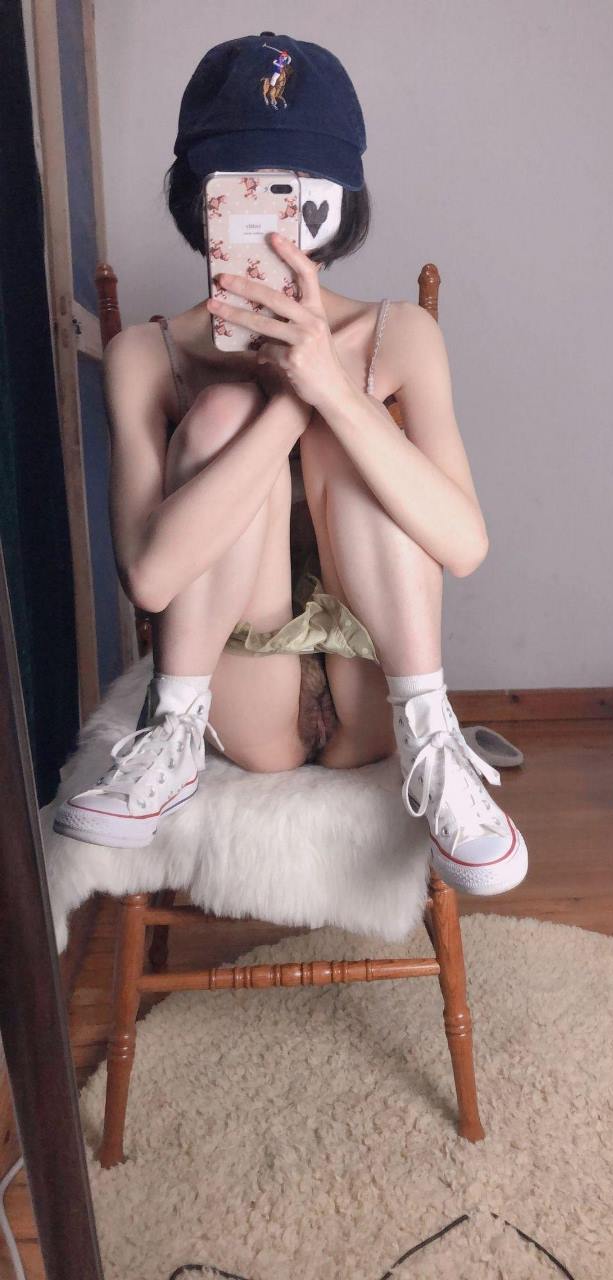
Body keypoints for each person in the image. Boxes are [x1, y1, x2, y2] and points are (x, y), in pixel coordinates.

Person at [53, 32, 528, 897]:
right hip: (243, 693)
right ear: (201, 201)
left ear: (340, 200)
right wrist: (288, 402)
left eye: (302, 189)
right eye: (245, 189)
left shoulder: (398, 335)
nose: (275, 221)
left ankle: (431, 735)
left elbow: (463, 547)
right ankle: (170, 735)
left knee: (357, 435)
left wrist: (336, 392)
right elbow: (150, 581)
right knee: (226, 413)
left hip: (375, 678)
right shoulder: (146, 356)